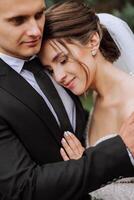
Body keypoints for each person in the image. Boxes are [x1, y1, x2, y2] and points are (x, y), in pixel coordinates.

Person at [0, 0, 134, 200]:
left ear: (93, 41)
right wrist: (90, 161)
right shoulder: (96, 98)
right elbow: (22, 188)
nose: (36, 31)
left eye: (39, 15)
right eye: (18, 20)